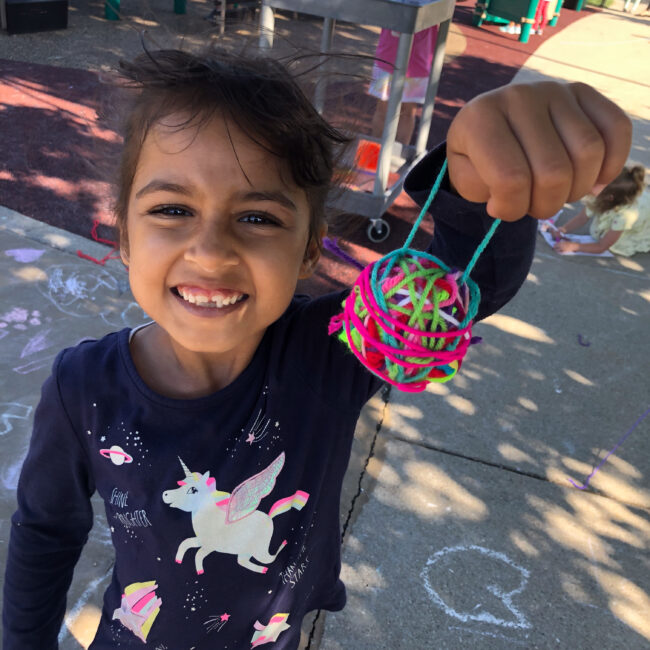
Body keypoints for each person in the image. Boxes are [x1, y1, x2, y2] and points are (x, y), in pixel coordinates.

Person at [2, 46, 631, 649]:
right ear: (124, 237)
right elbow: (46, 531)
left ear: (309, 250)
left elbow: (463, 284)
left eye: (258, 217)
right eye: (171, 209)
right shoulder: (82, 386)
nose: (212, 250)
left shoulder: (331, 353)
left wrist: (472, 181)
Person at [554, 164, 649, 256]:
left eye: (597, 183)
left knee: (616, 244)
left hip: (642, 224)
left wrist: (574, 246)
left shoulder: (625, 216)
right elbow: (582, 218)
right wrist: (563, 230)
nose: (593, 183)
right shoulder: (603, 194)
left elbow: (602, 247)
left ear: (609, 197)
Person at [368, 26, 438, 146]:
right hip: (389, 55)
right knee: (383, 108)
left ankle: (399, 152)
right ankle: (374, 152)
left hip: (418, 58)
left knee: (407, 111)